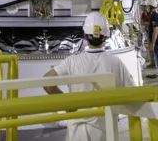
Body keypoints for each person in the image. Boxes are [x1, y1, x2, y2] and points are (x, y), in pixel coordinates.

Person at [44, 12, 135, 141]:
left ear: (85, 36)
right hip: (106, 132)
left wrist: (66, 103)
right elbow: (133, 93)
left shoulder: (72, 61)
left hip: (76, 134)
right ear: (106, 37)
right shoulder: (116, 63)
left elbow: (47, 83)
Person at [143, 0, 158, 86]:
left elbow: (155, 31)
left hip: (157, 44)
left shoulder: (154, 16)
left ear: (150, 6)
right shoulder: (155, 15)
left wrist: (152, 44)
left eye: (147, 6)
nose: (146, 8)